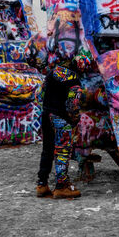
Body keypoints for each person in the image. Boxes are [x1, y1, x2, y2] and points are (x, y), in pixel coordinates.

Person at [36, 58, 82, 199]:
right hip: (61, 118)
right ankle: (61, 187)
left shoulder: (51, 73)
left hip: (46, 114)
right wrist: (74, 120)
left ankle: (42, 184)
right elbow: (73, 104)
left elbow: (39, 95)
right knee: (62, 151)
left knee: (47, 149)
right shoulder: (73, 78)